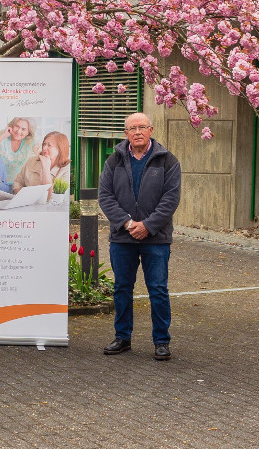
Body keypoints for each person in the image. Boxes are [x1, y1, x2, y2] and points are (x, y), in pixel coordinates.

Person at [98, 112, 180, 361]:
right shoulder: (114, 161)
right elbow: (105, 196)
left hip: (156, 238)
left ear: (151, 130)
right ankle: (122, 337)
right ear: (126, 134)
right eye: (132, 128)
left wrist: (148, 225)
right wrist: (127, 223)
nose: (137, 132)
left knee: (157, 289)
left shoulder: (167, 161)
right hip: (123, 237)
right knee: (122, 288)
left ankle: (161, 341)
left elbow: (171, 198)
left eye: (142, 127)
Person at [11, 131, 71, 198]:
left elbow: (50, 197)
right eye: (44, 144)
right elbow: (17, 183)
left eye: (49, 145)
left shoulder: (67, 170)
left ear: (60, 149)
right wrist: (26, 197)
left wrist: (45, 168)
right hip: (27, 203)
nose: (44, 148)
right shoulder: (32, 160)